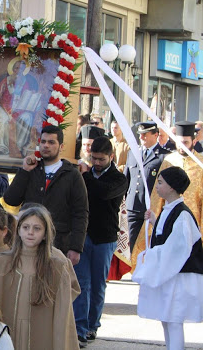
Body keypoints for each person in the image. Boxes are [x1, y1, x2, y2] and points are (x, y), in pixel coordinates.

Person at [0, 204, 80, 350]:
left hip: (42, 328)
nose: (30, 232)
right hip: (8, 325)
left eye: (37, 228)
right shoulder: (1, 263)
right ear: (18, 230)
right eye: (25, 227)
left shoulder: (57, 265)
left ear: (45, 234)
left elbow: (72, 291)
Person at [132, 167, 203, 350]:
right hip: (171, 274)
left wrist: (152, 255)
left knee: (174, 319)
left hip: (180, 276)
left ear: (172, 187)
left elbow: (178, 248)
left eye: (161, 182)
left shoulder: (183, 214)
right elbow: (167, 235)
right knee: (167, 318)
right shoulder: (169, 210)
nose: (157, 186)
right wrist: (156, 221)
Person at [3, 125, 88, 265]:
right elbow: (11, 199)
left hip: (58, 243)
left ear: (61, 146)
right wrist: (24, 171)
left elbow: (80, 213)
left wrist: (75, 247)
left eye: (51, 142)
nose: (46, 146)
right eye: (43, 142)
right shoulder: (31, 170)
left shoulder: (72, 175)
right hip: (28, 242)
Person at [74, 137, 128, 347]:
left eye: (101, 159)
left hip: (105, 239)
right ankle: (80, 328)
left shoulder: (118, 178)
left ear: (111, 157)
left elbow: (102, 192)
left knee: (97, 285)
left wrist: (86, 175)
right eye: (93, 158)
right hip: (84, 235)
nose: (96, 162)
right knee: (82, 284)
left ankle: (92, 325)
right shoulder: (85, 174)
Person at [131, 121, 203, 267]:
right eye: (179, 142)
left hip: (193, 220)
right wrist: (154, 221)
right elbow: (158, 196)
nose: (181, 146)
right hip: (170, 219)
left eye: (185, 142)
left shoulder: (200, 163)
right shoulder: (169, 160)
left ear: (194, 141)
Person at [123, 121, 171, 254]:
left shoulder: (163, 156)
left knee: (149, 244)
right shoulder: (132, 153)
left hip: (151, 208)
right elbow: (126, 181)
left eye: (145, 134)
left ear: (156, 135)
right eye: (140, 135)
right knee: (131, 245)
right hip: (132, 207)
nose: (141, 137)